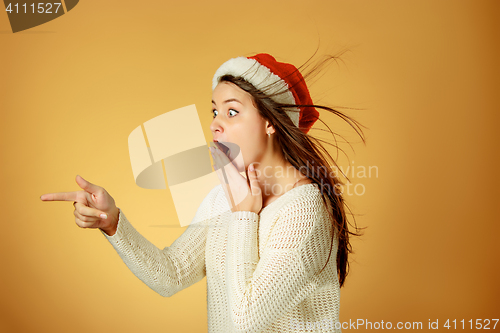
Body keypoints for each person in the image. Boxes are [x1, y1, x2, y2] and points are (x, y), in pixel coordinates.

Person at [41, 53, 366, 332]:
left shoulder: (303, 208)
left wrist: (243, 215)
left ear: (271, 122)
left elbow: (245, 319)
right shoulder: (225, 197)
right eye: (214, 111)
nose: (214, 124)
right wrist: (113, 223)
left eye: (232, 111)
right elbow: (172, 275)